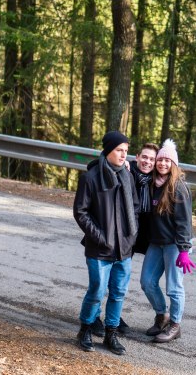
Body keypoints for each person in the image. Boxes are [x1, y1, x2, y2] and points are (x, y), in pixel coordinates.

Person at [73, 131, 140, 355]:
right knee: (96, 291)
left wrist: (131, 236)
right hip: (99, 249)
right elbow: (81, 212)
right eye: (119, 150)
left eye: (126, 151)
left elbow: (135, 208)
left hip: (124, 249)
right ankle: (85, 330)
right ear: (108, 150)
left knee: (118, 292)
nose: (124, 155)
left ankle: (111, 333)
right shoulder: (90, 178)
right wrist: (101, 238)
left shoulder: (127, 176)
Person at [90, 142, 159, 338]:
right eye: (144, 157)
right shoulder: (126, 171)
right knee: (103, 279)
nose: (147, 162)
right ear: (136, 157)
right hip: (118, 234)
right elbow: (100, 166)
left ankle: (114, 316)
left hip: (138, 237)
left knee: (120, 282)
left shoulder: (157, 180)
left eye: (152, 159)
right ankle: (94, 317)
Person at [140, 138, 195, 343]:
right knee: (147, 282)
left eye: (167, 161)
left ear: (174, 164)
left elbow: (184, 222)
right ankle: (162, 315)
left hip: (175, 244)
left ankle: (175, 324)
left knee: (173, 286)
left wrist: (184, 249)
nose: (162, 163)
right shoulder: (151, 183)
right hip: (156, 242)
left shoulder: (178, 188)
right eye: (160, 160)